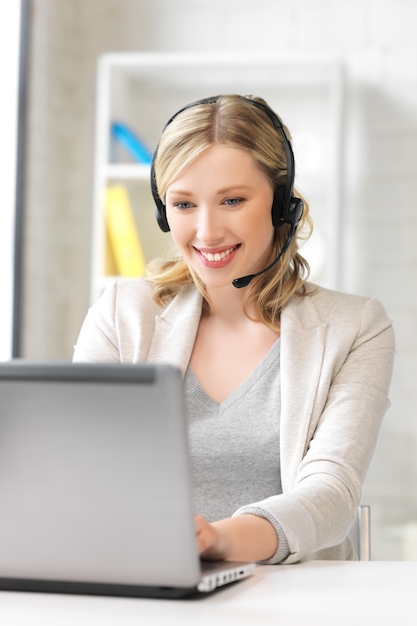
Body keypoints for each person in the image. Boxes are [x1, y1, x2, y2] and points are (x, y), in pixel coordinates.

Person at [73, 94, 395, 564]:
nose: (206, 232)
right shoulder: (123, 314)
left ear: (281, 204)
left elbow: (331, 491)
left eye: (232, 200)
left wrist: (215, 540)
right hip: (146, 582)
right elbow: (79, 465)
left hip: (297, 598)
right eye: (184, 204)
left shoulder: (356, 327)